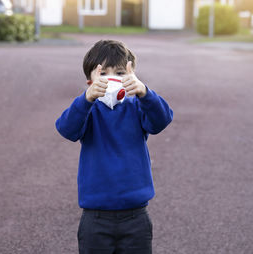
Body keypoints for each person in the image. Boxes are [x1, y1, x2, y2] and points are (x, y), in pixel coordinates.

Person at [55, 39, 174, 254]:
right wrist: (85, 100)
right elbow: (66, 129)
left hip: (136, 215)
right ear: (89, 80)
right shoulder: (87, 110)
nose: (112, 79)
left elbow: (162, 120)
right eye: (103, 73)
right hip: (95, 217)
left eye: (120, 73)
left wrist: (145, 93)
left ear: (131, 76)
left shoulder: (138, 106)